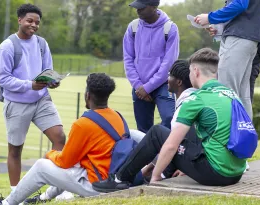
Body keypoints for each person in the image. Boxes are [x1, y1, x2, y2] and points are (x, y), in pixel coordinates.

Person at [92, 48, 246, 193]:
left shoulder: (195, 99)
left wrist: (156, 176)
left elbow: (171, 145)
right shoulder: (230, 94)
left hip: (216, 173)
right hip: (236, 172)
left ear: (196, 71)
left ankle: (120, 179)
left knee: (156, 133)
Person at [0, 73, 126, 205]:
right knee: (70, 165)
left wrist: (50, 154)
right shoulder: (117, 116)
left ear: (87, 95)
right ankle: (45, 197)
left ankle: (7, 203)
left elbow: (65, 162)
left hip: (96, 186)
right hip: (114, 179)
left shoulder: (83, 124)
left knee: (41, 167)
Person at [0, 3, 66, 197]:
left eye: (37, 22)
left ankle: (56, 189)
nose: (34, 25)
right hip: (17, 103)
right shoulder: (7, 47)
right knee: (16, 149)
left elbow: (48, 70)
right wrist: (29, 84)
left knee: (60, 138)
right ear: (19, 20)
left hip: (41, 99)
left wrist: (52, 81)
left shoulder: (42, 44)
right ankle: (15, 194)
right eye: (29, 21)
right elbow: (3, 79)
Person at [194, 0, 260, 120]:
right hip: (247, 38)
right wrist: (219, 26)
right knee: (242, 95)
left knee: (226, 90)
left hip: (239, 37)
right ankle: (246, 137)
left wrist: (210, 17)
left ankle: (228, 137)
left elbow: (240, 4)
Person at [132, 59, 198, 178]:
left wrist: (185, 168)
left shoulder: (185, 106)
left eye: (170, 75)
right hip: (183, 157)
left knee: (136, 134)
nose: (167, 79)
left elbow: (178, 145)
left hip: (184, 160)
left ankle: (122, 178)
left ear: (178, 82)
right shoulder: (190, 99)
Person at [123, 0, 180, 133]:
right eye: (137, 7)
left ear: (154, 7)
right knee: (143, 130)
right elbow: (128, 58)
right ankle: (150, 152)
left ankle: (163, 152)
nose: (138, 10)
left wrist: (148, 87)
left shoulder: (170, 28)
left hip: (164, 85)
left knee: (170, 119)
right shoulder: (133, 27)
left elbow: (168, 64)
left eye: (142, 8)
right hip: (139, 86)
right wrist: (138, 86)